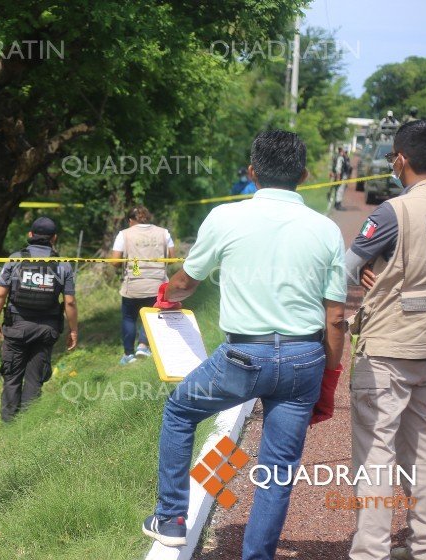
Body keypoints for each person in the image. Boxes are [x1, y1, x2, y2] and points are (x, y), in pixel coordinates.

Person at [141, 130, 347, 560]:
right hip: (303, 360)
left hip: (241, 357)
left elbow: (184, 283)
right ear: (305, 175)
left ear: (252, 173)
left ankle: (172, 517)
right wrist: (328, 382)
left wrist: (166, 296)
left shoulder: (224, 218)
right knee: (277, 470)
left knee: (180, 410)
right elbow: (336, 318)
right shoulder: (326, 231)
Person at [343, 120, 426, 560]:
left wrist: (375, 272)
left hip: (387, 348)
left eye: (391, 158)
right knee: (423, 448)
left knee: (376, 453)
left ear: (401, 159)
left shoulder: (392, 212)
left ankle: (370, 552)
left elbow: (346, 267)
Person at [0, 217, 78, 422]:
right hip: (46, 330)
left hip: (15, 328)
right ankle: (29, 427)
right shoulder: (62, 265)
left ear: (30, 235)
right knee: (34, 381)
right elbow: (70, 303)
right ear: (54, 238)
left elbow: (0, 295)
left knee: (11, 378)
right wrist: (73, 330)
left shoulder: (15, 259)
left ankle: (9, 428)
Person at [109, 205, 176, 364]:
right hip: (157, 284)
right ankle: (143, 345)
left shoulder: (124, 234)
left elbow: (115, 262)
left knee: (129, 318)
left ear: (131, 220)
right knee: (152, 315)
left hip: (133, 284)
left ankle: (128, 355)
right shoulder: (163, 233)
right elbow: (173, 258)